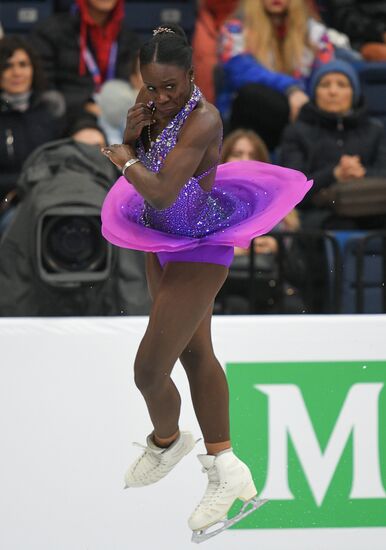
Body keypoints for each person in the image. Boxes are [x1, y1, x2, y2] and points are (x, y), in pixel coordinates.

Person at [100, 25, 311, 541]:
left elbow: (165, 192)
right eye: (150, 87)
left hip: (199, 245)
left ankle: (167, 440)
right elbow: (142, 180)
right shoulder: (149, 111)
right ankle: (226, 466)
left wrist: (122, 155)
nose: (161, 98)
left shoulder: (205, 120)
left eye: (170, 87)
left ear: (191, 77)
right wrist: (132, 137)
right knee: (196, 355)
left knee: (149, 371)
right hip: (162, 244)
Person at [280, 59, 386, 229]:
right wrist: (334, 174)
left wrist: (361, 172)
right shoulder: (297, 132)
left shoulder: (375, 130)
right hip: (320, 213)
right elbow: (292, 188)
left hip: (372, 208)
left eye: (342, 85)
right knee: (339, 226)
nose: (333, 91)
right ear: (315, 92)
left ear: (354, 93)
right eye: (325, 84)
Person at [218, 0, 334, 150]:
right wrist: (291, 89)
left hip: (301, 114)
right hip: (248, 116)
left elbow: (325, 75)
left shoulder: (315, 33)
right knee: (252, 94)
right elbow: (241, 71)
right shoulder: (235, 30)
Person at [218, 129, 306, 314]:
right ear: (223, 158)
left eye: (252, 155)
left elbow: (300, 272)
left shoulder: (284, 210)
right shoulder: (207, 201)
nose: (245, 160)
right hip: (223, 287)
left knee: (293, 307)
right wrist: (230, 249)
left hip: (270, 288)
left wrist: (277, 247)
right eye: (237, 153)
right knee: (236, 305)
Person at [29, 0, 140, 122]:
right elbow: (44, 88)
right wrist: (84, 106)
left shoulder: (127, 36)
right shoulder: (50, 32)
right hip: (69, 117)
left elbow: (132, 83)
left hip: (116, 114)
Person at [0, 35, 65, 234]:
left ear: (33, 69)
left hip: (51, 199)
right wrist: (22, 184)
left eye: (23, 64)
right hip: (8, 203)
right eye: (7, 66)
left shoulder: (50, 110)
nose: (16, 72)